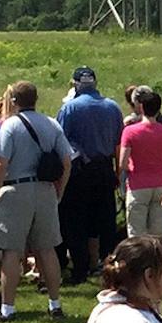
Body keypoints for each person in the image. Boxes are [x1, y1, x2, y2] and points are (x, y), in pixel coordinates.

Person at [0, 82, 71, 322]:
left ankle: (7, 308)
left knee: (11, 251)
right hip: (45, 189)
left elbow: (0, 163)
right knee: (47, 249)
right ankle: (55, 303)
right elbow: (67, 162)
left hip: (16, 188)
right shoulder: (52, 124)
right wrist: (60, 191)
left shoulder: (10, 126)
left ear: (13, 101)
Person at [59, 66, 126, 284]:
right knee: (105, 221)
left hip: (79, 172)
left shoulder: (70, 108)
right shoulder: (113, 108)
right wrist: (117, 172)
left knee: (76, 220)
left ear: (76, 84)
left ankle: (80, 269)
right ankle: (108, 269)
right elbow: (118, 143)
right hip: (105, 168)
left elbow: (61, 143)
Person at [120, 88, 162, 239]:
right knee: (159, 236)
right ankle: (159, 261)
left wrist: (132, 167)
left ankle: (139, 262)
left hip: (137, 185)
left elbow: (122, 162)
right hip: (160, 184)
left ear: (141, 107)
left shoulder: (130, 131)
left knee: (137, 235)